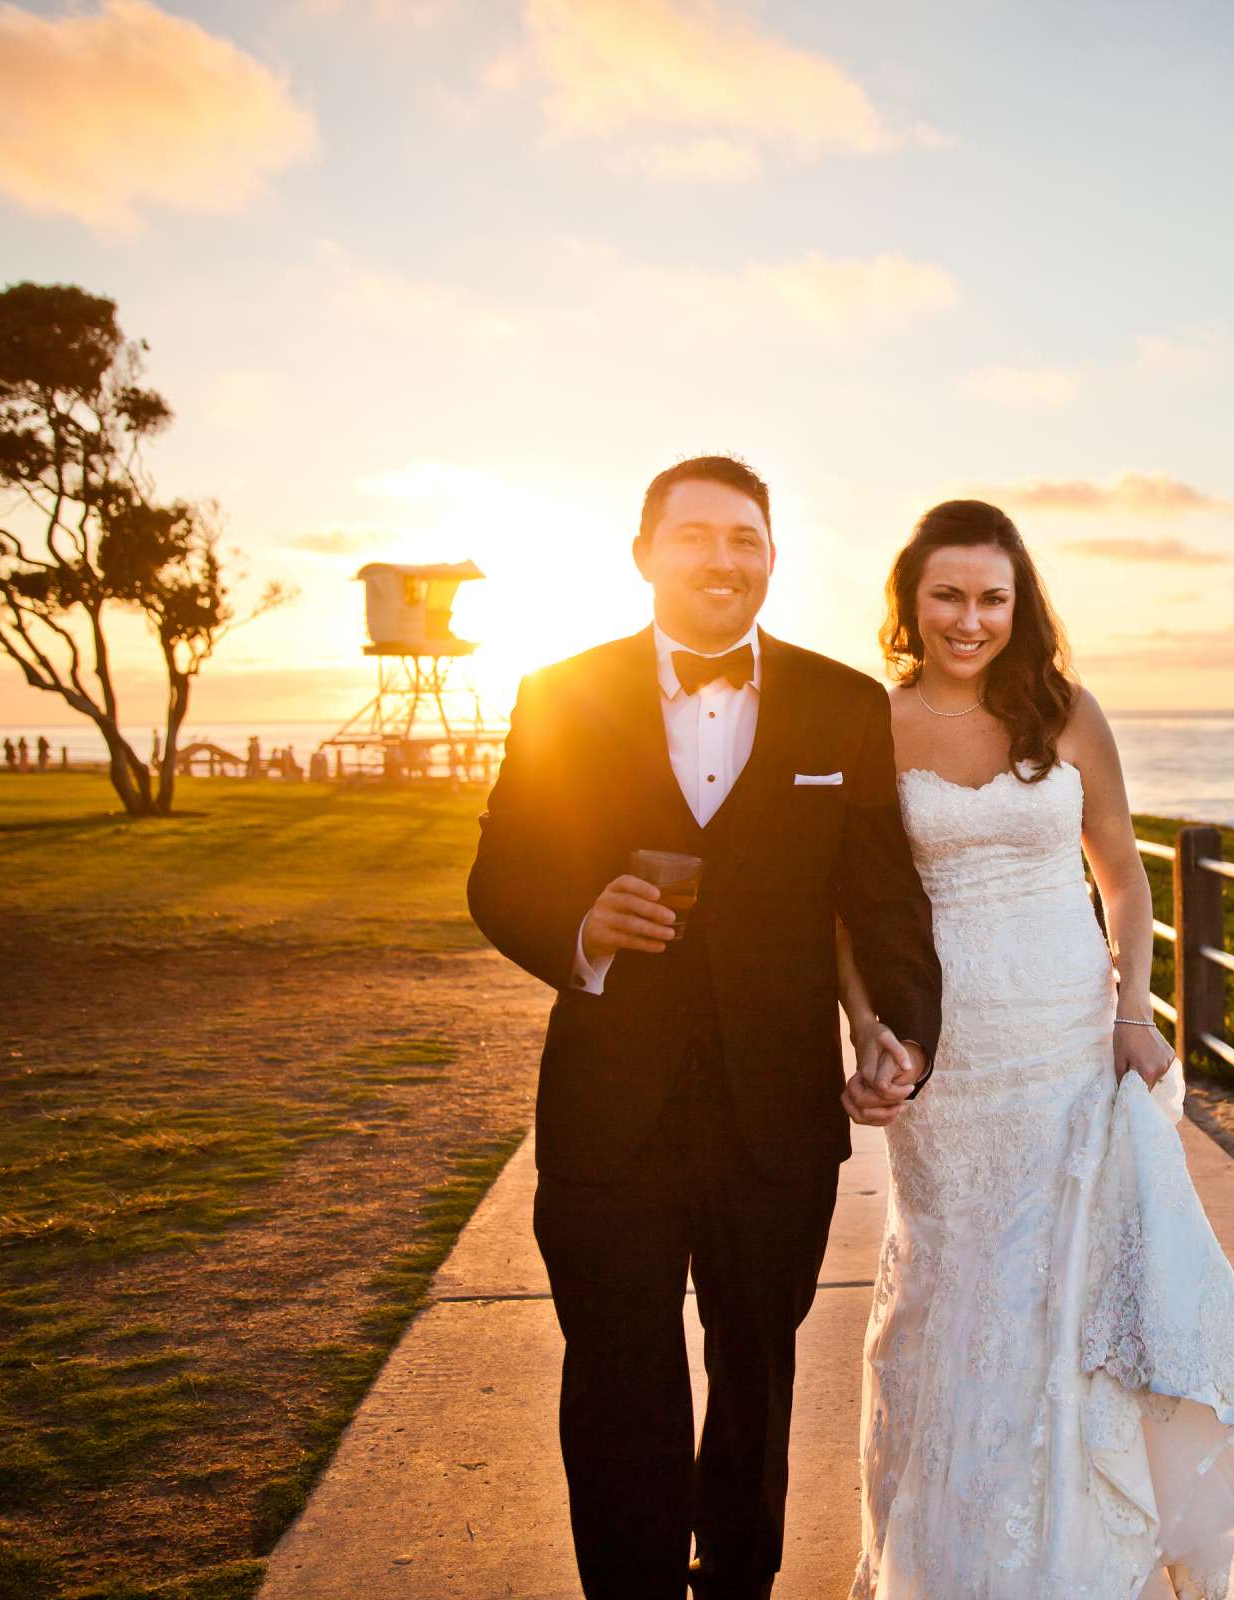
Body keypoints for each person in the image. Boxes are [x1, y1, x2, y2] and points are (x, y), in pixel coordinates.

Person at [467, 455, 942, 1600]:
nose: (723, 559)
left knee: (757, 1378)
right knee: (619, 1378)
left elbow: (881, 896)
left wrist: (905, 1035)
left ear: (773, 557)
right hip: (607, 1109)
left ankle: (738, 1582)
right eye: (696, 537)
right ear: (644, 554)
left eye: (746, 539)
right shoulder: (559, 692)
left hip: (775, 1117)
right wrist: (580, 923)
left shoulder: (844, 703)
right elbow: (502, 875)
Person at [842, 501, 1234, 1599]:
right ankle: (943, 1561)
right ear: (912, 598)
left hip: (1064, 1039)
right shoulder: (876, 724)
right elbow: (850, 910)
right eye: (948, 595)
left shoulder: (1066, 712)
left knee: (1070, 1291)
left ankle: (1077, 1557)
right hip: (950, 1060)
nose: (970, 619)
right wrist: (868, 1026)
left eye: (993, 597)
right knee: (954, 1296)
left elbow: (1126, 877)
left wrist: (1133, 1011)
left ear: (1022, 602)